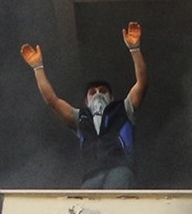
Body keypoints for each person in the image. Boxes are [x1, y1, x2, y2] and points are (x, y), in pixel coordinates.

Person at [20, 22, 148, 189]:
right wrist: (38, 67)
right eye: (92, 92)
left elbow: (142, 83)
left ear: (111, 96)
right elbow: (52, 100)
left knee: (115, 204)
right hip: (91, 176)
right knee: (86, 210)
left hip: (119, 170)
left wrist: (135, 49)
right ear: (86, 101)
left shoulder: (123, 109)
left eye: (102, 91)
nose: (97, 94)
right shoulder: (81, 118)